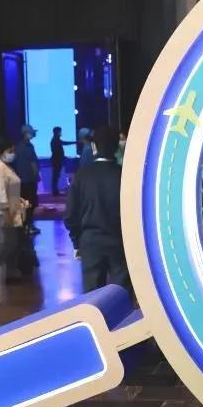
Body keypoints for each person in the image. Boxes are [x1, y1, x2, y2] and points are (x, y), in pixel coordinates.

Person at [65, 125, 128, 291]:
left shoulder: (82, 175)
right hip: (121, 242)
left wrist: (77, 242)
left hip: (91, 241)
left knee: (93, 296)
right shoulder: (124, 175)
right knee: (121, 294)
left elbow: (70, 214)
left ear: (94, 146)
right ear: (117, 147)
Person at [0, 138, 27, 284]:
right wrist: (6, 211)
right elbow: (0, 191)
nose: (13, 154)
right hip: (6, 211)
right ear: (2, 152)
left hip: (14, 208)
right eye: (10, 151)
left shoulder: (7, 167)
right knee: (10, 243)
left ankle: (12, 273)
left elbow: (12, 187)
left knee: (14, 242)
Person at [14, 125, 40, 234]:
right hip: (28, 180)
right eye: (31, 133)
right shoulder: (28, 147)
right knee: (29, 204)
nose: (33, 134)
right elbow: (33, 163)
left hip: (22, 179)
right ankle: (27, 226)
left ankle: (25, 226)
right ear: (25, 133)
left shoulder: (18, 146)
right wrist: (37, 175)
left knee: (25, 204)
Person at [49, 126, 76, 195]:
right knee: (56, 176)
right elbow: (57, 151)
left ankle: (55, 191)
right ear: (57, 132)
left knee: (56, 176)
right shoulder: (55, 140)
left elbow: (63, 144)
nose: (61, 133)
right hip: (56, 161)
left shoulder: (56, 140)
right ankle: (55, 191)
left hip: (57, 160)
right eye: (60, 132)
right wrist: (63, 157)